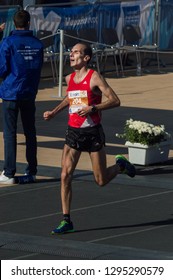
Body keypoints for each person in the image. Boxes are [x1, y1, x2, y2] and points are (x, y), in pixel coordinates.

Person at [43, 42, 136, 234]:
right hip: (73, 132)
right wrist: (54, 112)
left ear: (86, 58)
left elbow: (115, 100)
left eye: (76, 52)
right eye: (71, 51)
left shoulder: (94, 77)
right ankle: (66, 219)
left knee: (100, 180)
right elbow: (70, 98)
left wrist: (93, 108)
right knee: (65, 175)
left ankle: (120, 166)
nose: (71, 54)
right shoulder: (69, 78)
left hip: (93, 132)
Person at [0, 10, 44, 184]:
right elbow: (38, 67)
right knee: (30, 132)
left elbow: (2, 68)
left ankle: (9, 172)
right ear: (29, 23)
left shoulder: (8, 42)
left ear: (13, 23)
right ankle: (31, 170)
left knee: (10, 133)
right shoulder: (38, 44)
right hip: (28, 92)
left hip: (11, 92)